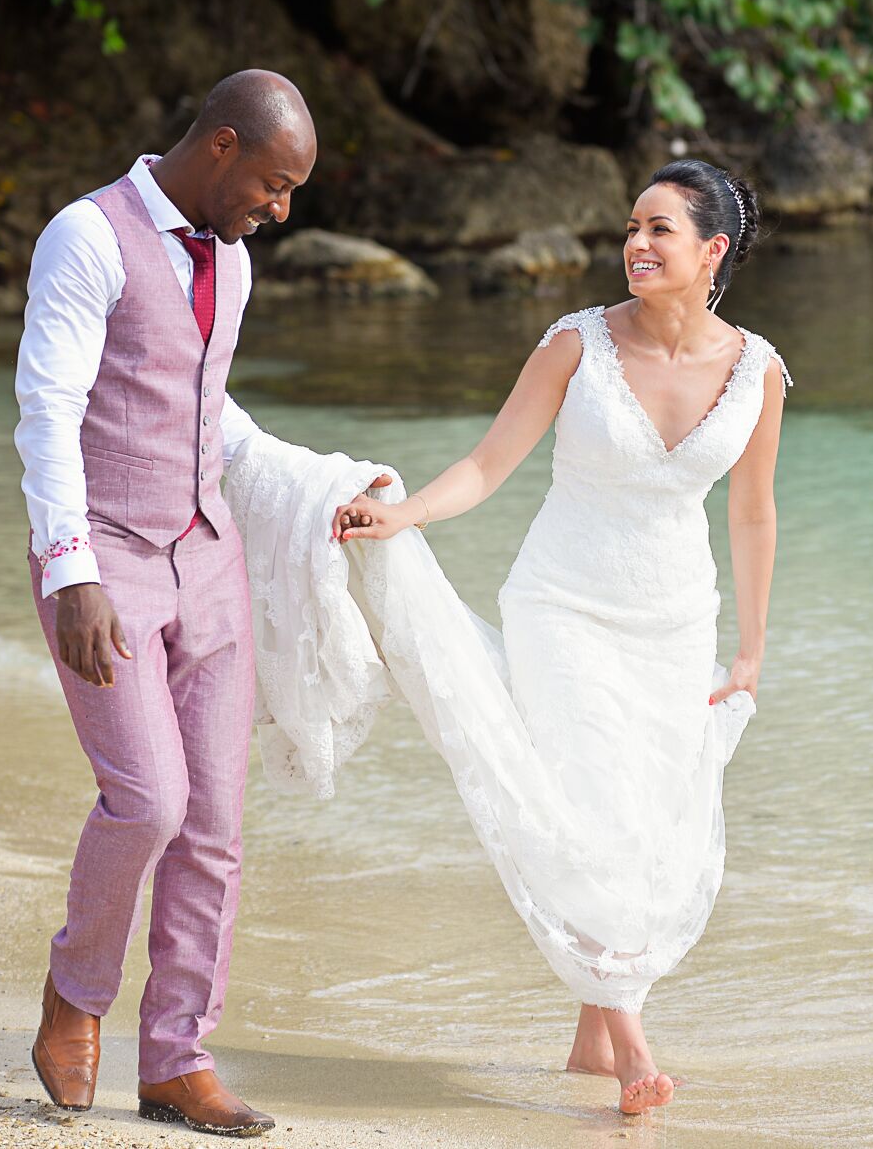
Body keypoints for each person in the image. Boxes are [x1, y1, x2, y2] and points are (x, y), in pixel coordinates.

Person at [325, 158, 788, 1114]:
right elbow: (490, 464)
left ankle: (587, 1034)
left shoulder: (758, 370)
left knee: (648, 824)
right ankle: (630, 1048)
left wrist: (750, 647)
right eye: (631, 226)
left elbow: (753, 513)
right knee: (593, 812)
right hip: (563, 607)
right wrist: (405, 515)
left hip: (673, 619)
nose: (636, 244)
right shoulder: (577, 343)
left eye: (660, 229)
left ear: (714, 251)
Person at [13, 69, 384, 1137]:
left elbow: (203, 411)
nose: (281, 210)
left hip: (208, 560)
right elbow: (47, 412)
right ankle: (74, 997)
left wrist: (325, 483)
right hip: (109, 562)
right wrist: (71, 571)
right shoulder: (85, 239)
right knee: (149, 802)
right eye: (274, 185)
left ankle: (177, 1059)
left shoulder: (233, 260)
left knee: (215, 826)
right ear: (221, 146)